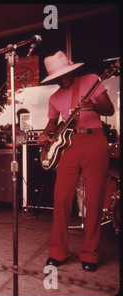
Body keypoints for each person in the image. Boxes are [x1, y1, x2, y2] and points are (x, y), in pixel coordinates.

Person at [37, 51, 114, 272]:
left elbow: (110, 108)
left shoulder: (91, 80)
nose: (65, 79)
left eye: (67, 74)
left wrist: (94, 107)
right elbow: (52, 125)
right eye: (59, 77)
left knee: (94, 200)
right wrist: (44, 134)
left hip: (94, 140)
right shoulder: (54, 98)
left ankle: (90, 253)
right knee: (61, 198)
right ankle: (58, 252)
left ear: (72, 70)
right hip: (68, 146)